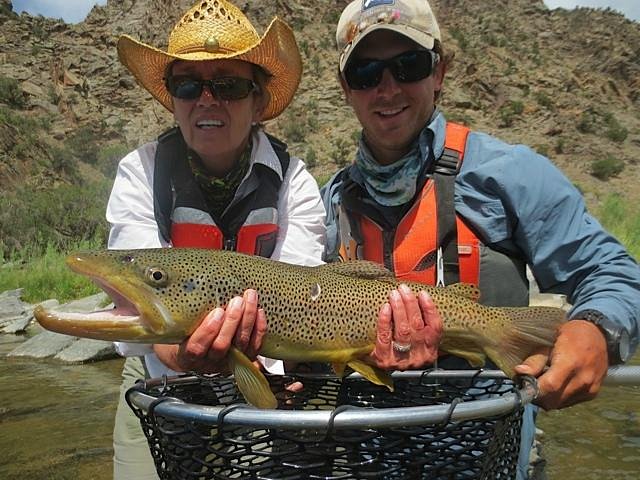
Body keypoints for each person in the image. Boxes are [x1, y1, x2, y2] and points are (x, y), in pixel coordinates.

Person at [107, 1, 442, 478]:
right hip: (161, 377)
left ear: (258, 100)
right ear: (172, 98)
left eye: (228, 86)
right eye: (188, 85)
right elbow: (141, 311)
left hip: (270, 371)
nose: (207, 100)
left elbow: (299, 299)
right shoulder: (139, 173)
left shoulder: (294, 183)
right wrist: (185, 355)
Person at [322, 0, 639, 478]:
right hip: (366, 451)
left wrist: (597, 327)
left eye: (408, 65)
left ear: (440, 70)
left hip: (487, 444)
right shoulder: (332, 201)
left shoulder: (508, 174)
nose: (387, 88)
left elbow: (611, 272)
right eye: (366, 73)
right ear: (347, 89)